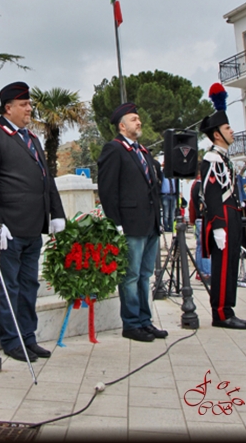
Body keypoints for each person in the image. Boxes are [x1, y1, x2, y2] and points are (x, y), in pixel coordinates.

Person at [0, 82, 66, 362]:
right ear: (8, 108)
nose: (30, 108)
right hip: (10, 228)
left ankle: (28, 336)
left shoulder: (32, 138)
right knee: (10, 286)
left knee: (29, 285)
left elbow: (46, 179)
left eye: (29, 104)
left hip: (33, 226)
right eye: (24, 104)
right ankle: (11, 339)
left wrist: (57, 214)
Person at [97, 102, 167, 342]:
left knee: (145, 274)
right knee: (131, 276)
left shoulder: (143, 151)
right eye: (134, 119)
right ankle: (131, 323)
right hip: (129, 224)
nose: (139, 122)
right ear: (122, 125)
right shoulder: (113, 149)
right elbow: (107, 190)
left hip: (149, 224)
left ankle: (145, 321)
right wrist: (115, 223)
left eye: (139, 119)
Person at [199, 83, 246, 329]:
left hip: (233, 215)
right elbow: (211, 193)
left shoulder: (223, 158)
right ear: (217, 133)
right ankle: (220, 312)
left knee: (232, 265)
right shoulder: (211, 158)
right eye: (228, 128)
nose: (232, 131)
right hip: (223, 218)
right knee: (222, 266)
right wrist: (218, 225)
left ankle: (228, 309)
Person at [188, 165, 211, 282]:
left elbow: (192, 204)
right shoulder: (203, 185)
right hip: (203, 218)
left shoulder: (194, 185)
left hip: (198, 218)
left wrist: (192, 219)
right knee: (205, 246)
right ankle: (207, 272)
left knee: (199, 247)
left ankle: (200, 271)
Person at [160, 166, 177, 231]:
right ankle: (166, 228)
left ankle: (171, 228)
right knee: (166, 213)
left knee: (172, 213)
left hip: (173, 195)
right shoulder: (162, 175)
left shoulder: (174, 176)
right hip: (165, 195)